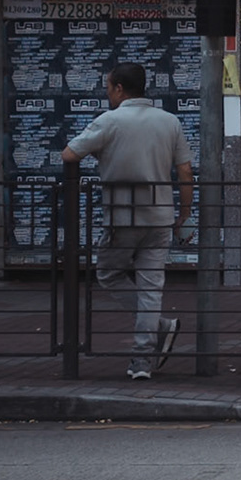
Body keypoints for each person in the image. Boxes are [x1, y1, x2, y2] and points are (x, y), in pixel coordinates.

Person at [61, 63, 193, 380]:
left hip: (121, 217)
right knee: (151, 289)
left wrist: (103, 156)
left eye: (108, 87)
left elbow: (68, 155)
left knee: (108, 273)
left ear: (119, 88)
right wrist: (184, 214)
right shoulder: (170, 122)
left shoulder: (109, 121)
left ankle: (158, 327)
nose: (107, 93)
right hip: (160, 216)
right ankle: (142, 362)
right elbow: (185, 172)